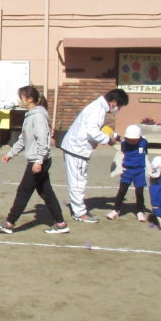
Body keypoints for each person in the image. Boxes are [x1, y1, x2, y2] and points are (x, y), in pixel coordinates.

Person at [0, 85, 69, 234]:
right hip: (37, 159)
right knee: (46, 193)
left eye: (21, 97)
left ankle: (9, 222)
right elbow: (24, 138)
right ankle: (61, 224)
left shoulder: (38, 116)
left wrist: (39, 161)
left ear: (30, 99)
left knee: (24, 190)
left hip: (39, 160)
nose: (19, 100)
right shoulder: (30, 115)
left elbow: (43, 140)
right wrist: (11, 153)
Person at [60, 88, 130, 223]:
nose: (118, 109)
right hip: (77, 150)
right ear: (114, 102)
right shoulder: (98, 109)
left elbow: (100, 129)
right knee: (78, 181)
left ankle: (78, 210)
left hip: (75, 148)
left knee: (78, 180)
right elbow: (92, 132)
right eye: (119, 106)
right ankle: (79, 213)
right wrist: (108, 140)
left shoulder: (98, 107)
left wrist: (117, 137)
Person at [108, 124, 149, 221]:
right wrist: (114, 135)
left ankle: (140, 211)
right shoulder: (124, 143)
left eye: (134, 140)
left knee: (139, 192)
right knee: (122, 191)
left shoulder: (144, 142)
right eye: (129, 139)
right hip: (127, 171)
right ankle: (116, 210)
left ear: (139, 138)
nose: (132, 141)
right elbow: (120, 139)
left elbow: (146, 150)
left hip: (139, 171)